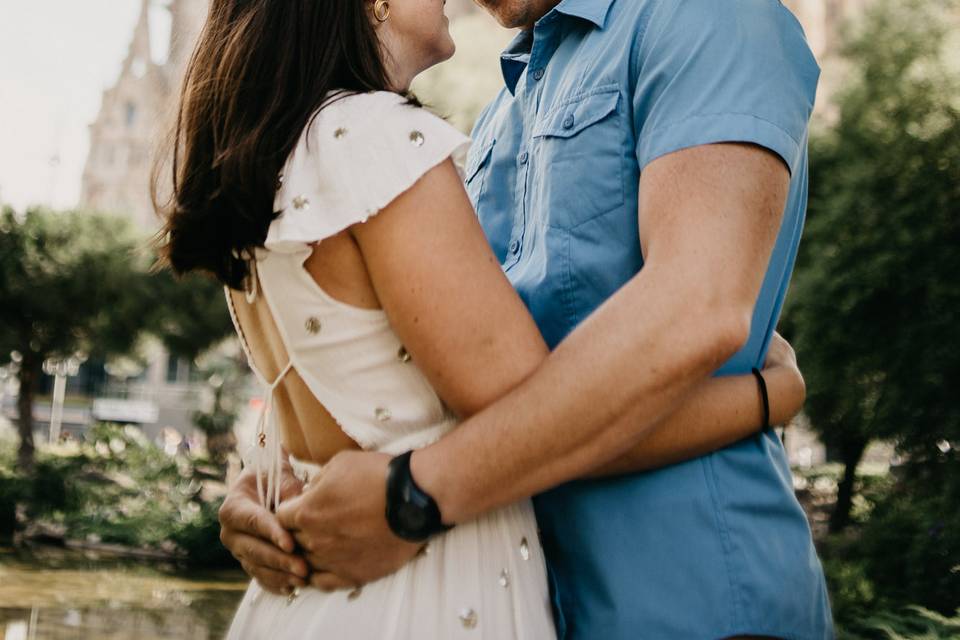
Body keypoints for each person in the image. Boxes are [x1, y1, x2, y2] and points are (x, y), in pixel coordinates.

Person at [199, 0, 829, 638]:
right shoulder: (504, 102)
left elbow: (699, 307)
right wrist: (286, 489)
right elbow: (443, 368)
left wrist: (410, 494)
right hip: (512, 595)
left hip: (692, 597)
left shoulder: (707, 19)